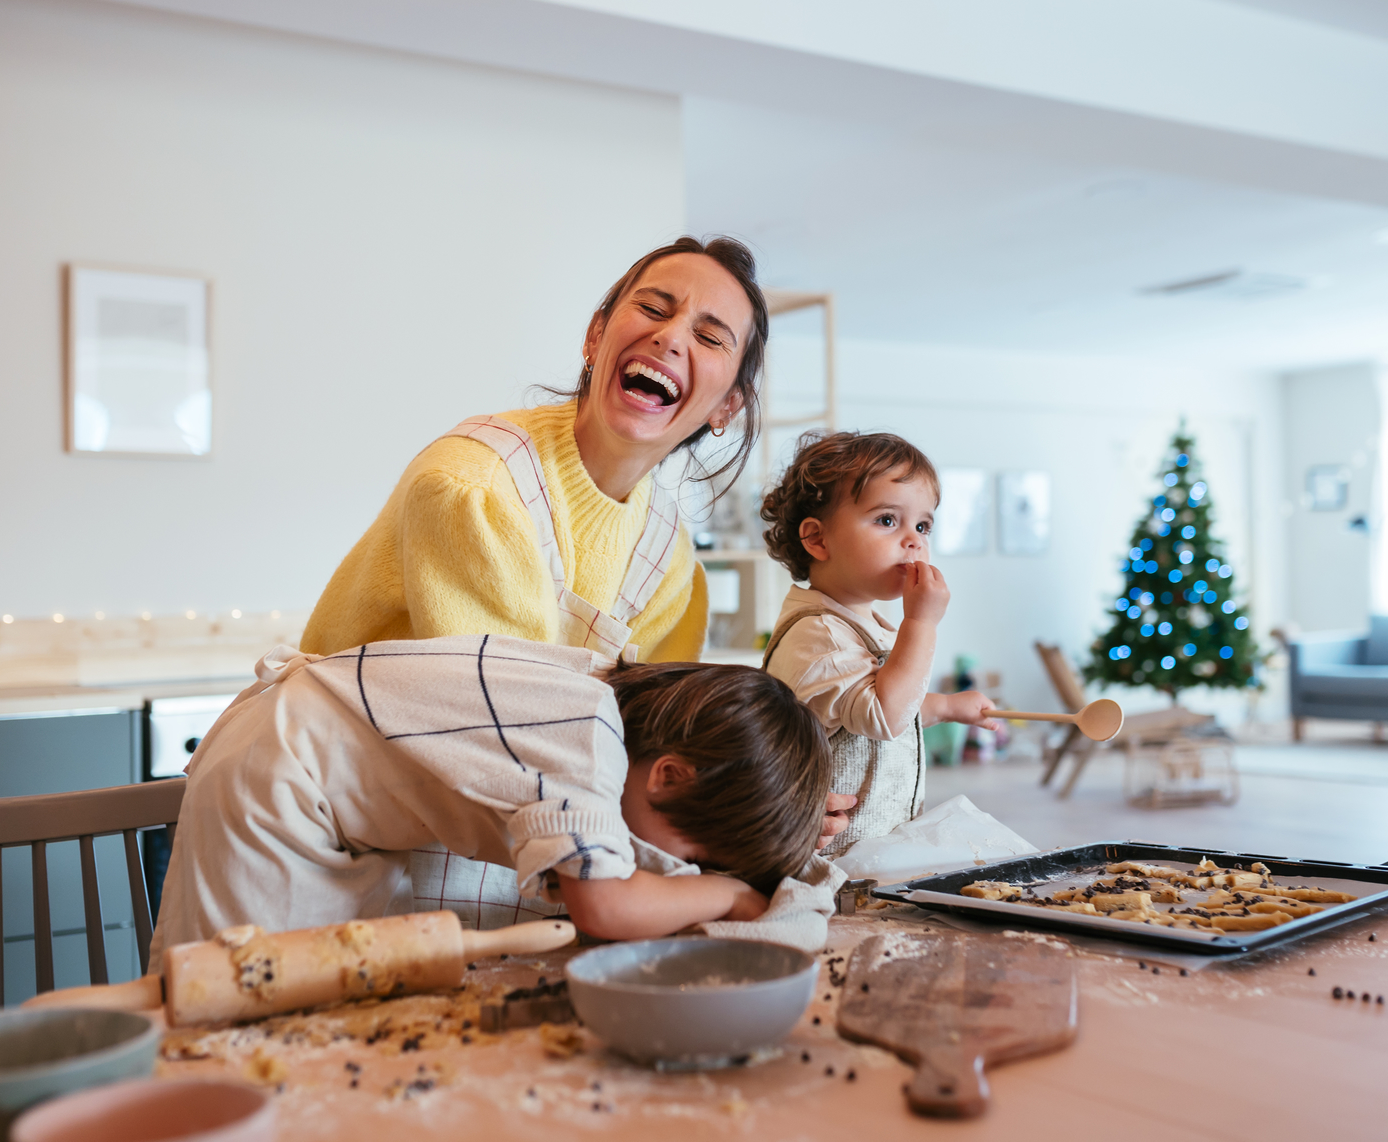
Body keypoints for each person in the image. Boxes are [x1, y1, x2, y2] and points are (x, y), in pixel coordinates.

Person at [149, 634, 837, 958]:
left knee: (326, 996)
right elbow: (605, 903)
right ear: (668, 775)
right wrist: (731, 895)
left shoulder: (600, 702)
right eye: (695, 854)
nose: (680, 869)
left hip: (312, 781)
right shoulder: (588, 735)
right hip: (276, 778)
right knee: (248, 993)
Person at [300, 236, 771, 666]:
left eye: (709, 337)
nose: (669, 337)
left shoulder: (667, 558)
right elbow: (497, 722)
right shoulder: (474, 486)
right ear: (595, 335)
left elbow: (642, 736)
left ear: (728, 406)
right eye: (652, 308)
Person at [758, 431, 995, 858]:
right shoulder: (820, 636)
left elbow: (870, 705)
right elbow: (882, 715)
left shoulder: (864, 623)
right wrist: (921, 622)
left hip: (873, 849)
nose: (914, 540)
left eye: (922, 525)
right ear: (818, 540)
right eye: (888, 520)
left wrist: (944, 707)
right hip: (827, 853)